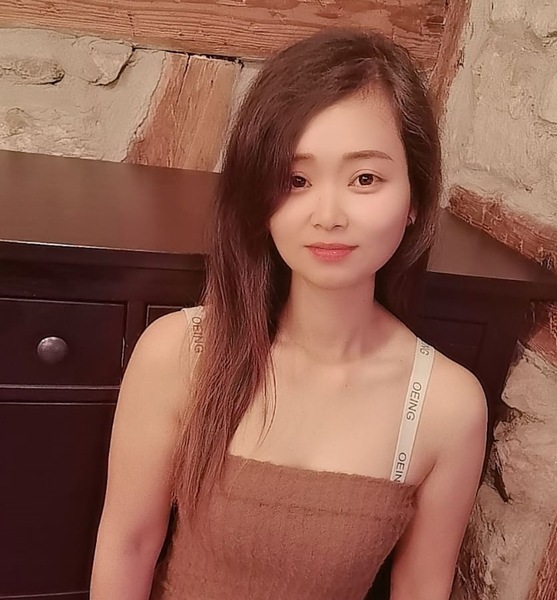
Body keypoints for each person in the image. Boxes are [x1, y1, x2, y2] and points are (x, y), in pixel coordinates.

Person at [90, 27, 487, 600]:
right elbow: (128, 544)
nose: (328, 214)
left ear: (414, 200)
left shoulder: (447, 406)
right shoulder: (179, 353)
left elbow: (423, 585)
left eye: (365, 178)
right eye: (295, 180)